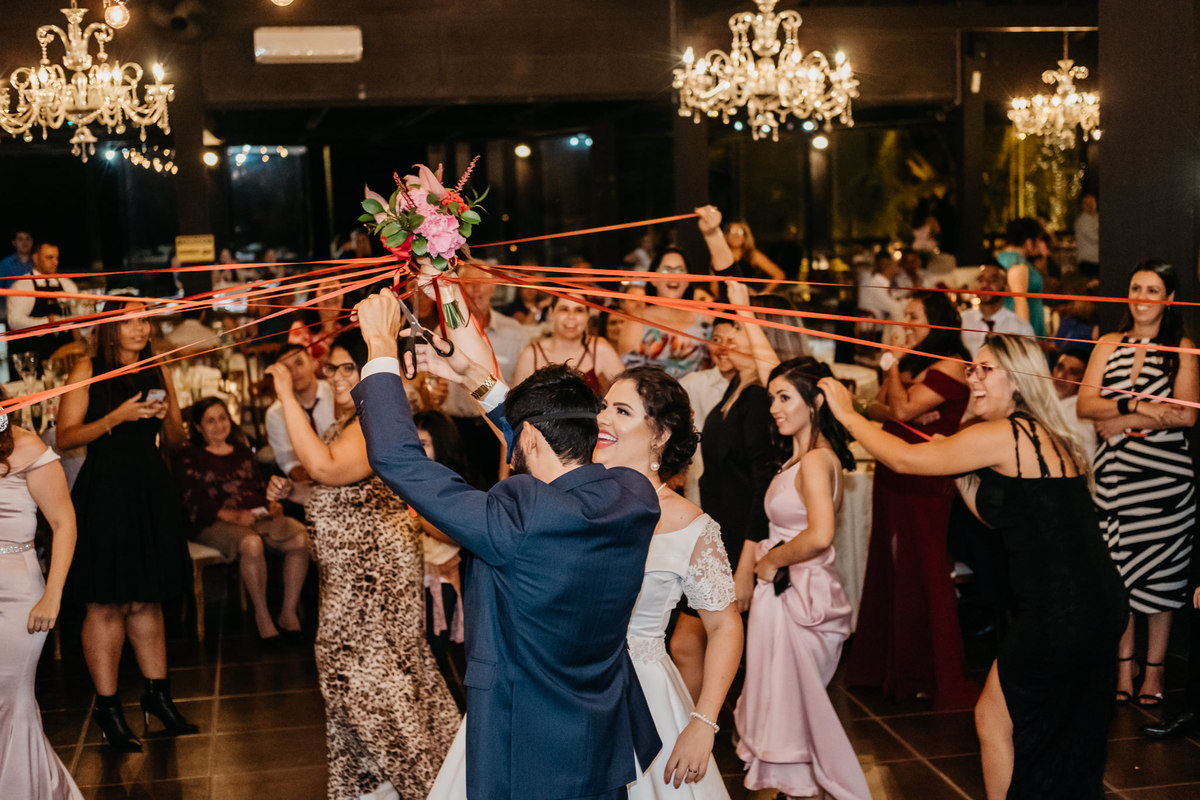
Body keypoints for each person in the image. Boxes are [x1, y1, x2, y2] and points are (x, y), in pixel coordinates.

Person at [351, 289, 662, 800]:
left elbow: (399, 460)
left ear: (531, 441)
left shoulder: (518, 518)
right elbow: (545, 438)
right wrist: (472, 376)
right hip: (599, 731)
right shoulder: (634, 497)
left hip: (525, 740)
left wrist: (380, 346)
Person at [819, 333, 1128, 800]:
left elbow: (903, 458)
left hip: (1059, 611)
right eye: (972, 369)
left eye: (987, 370)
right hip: (1096, 605)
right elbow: (996, 511)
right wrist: (957, 444)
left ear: (1019, 380)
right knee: (1067, 732)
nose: (973, 378)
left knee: (998, 720)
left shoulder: (1004, 435)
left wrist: (846, 414)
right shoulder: (1037, 435)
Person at [265, 329, 460, 799]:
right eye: (332, 368)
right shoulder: (346, 424)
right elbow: (341, 493)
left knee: (388, 711)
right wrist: (295, 493)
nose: (335, 377)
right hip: (347, 595)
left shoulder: (380, 424)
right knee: (359, 717)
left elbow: (328, 469)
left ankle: (442, 790)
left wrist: (285, 397)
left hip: (373, 600)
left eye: (348, 367)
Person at [594, 367, 742, 800]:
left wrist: (704, 722)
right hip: (566, 685)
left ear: (660, 435)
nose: (603, 418)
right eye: (604, 406)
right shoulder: (574, 495)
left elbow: (725, 626)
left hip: (642, 694)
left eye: (621, 411)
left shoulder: (690, 526)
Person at [56, 302, 196, 751]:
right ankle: (109, 709)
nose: (141, 327)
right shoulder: (88, 367)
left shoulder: (159, 367)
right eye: (131, 320)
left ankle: (158, 697)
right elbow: (65, 436)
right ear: (111, 329)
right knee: (105, 602)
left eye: (144, 319)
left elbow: (175, 440)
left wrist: (169, 422)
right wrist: (116, 419)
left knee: (146, 597)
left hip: (149, 487)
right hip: (106, 490)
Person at [735, 358, 870, 800]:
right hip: (785, 593)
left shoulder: (815, 461)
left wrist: (771, 560)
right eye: (772, 396)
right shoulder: (799, 459)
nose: (773, 407)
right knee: (793, 712)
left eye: (784, 396)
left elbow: (820, 534)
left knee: (800, 714)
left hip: (798, 594)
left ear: (815, 403)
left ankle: (813, 790)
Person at [844, 291, 979, 709]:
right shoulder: (918, 363)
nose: (906, 322)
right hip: (895, 468)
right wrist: (898, 384)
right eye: (904, 315)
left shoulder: (953, 362)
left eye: (914, 316)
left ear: (937, 320)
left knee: (925, 567)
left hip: (927, 475)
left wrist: (897, 370)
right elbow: (884, 409)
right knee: (890, 564)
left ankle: (932, 672)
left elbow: (897, 412)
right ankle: (889, 668)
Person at [1076, 259, 1198, 709]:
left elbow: (1186, 414)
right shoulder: (1108, 343)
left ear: (1169, 299)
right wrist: (1144, 407)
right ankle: (1123, 668)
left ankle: (1154, 672)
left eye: (1152, 290)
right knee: (1118, 579)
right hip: (1113, 483)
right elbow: (1085, 405)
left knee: (1161, 582)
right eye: (1135, 288)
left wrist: (1124, 416)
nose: (1142, 297)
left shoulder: (1182, 348)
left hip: (1165, 486)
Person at [671, 315, 773, 701]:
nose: (724, 346)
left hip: (737, 535)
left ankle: (698, 725)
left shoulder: (757, 398)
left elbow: (761, 484)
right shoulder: (736, 389)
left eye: (735, 338)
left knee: (691, 641)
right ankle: (693, 724)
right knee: (689, 642)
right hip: (717, 532)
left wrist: (746, 563)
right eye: (719, 339)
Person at [175, 396, 309, 643]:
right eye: (210, 420)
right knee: (251, 543)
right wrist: (231, 515)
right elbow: (192, 501)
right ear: (198, 427)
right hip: (213, 522)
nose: (218, 425)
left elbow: (259, 487)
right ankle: (262, 616)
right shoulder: (189, 456)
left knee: (300, 537)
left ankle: (288, 613)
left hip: (256, 516)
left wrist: (273, 504)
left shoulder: (243, 452)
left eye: (222, 418)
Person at [0, 413, 83, 800]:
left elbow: (64, 522)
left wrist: (53, 594)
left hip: (14, 595)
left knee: (10, 704)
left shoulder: (27, 446)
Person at [619, 207, 724, 380]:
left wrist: (713, 234)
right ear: (653, 278)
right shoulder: (636, 322)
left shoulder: (706, 319)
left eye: (680, 269)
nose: (674, 275)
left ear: (688, 279)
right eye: (667, 270)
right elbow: (628, 376)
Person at [512, 293, 625, 395]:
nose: (571, 316)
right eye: (564, 309)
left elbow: (628, 391)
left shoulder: (599, 349)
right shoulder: (532, 354)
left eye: (579, 310)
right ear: (551, 313)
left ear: (587, 315)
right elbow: (513, 405)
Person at [264, 343, 336, 482]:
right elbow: (291, 465)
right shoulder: (275, 414)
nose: (294, 372)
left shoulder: (335, 392)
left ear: (313, 363)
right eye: (286, 369)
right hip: (308, 487)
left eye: (299, 363)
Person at [8, 241, 79, 370]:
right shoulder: (22, 286)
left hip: (66, 361)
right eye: (49, 257)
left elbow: (78, 315)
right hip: (33, 360)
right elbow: (15, 321)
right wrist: (47, 321)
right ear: (35, 258)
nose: (55, 262)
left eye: (57, 257)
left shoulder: (68, 285)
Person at [960, 262, 1036, 356]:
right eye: (981, 280)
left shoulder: (1020, 328)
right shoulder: (962, 321)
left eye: (993, 280)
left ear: (1005, 287)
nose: (985, 285)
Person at [996, 218, 1049, 338]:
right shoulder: (1017, 262)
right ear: (1029, 241)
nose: (1041, 244)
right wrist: (1025, 339)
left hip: (1026, 321)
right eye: (1039, 239)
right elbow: (1020, 301)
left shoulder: (1010, 259)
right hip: (1024, 324)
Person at [1050, 349, 1096, 463]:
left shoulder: (1078, 413)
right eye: (1060, 367)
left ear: (1083, 380)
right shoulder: (1050, 403)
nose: (1061, 376)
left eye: (1073, 372)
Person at [720, 220, 785, 292]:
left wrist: (762, 295)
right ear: (726, 235)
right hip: (724, 301)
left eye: (740, 232)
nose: (736, 236)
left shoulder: (752, 255)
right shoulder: (719, 256)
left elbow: (779, 275)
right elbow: (714, 285)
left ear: (745, 236)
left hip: (746, 300)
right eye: (732, 231)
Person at [0, 228, 34, 325]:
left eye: (28, 239)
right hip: (9, 310)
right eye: (20, 239)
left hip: (35, 309)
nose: (24, 242)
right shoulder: (5, 264)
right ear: (14, 242)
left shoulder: (37, 262)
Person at [1075, 194, 1100, 278]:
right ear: (1083, 205)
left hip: (1098, 261)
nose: (1090, 205)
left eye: (1092, 202)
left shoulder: (1097, 217)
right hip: (1088, 262)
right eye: (1087, 203)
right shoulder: (1082, 221)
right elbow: (1095, 238)